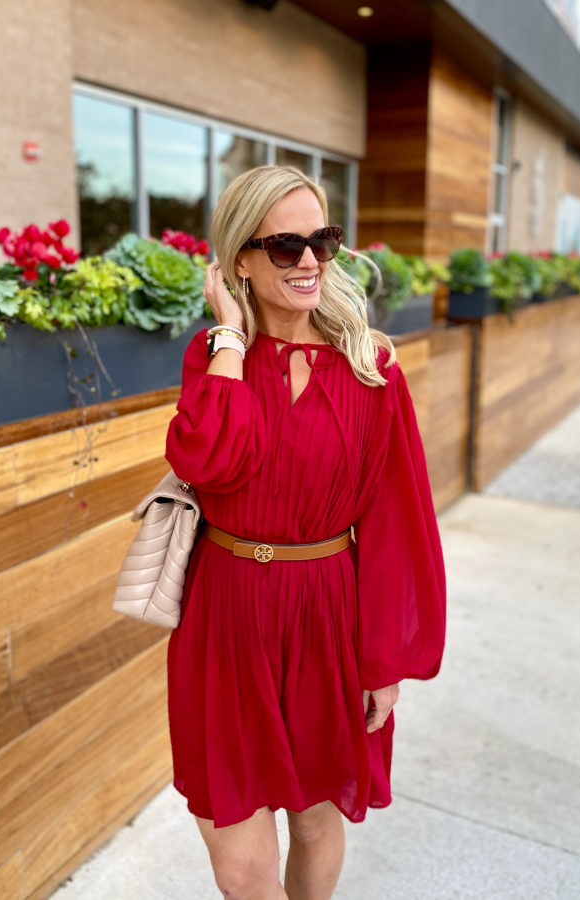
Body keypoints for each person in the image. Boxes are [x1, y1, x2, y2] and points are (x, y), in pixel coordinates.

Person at [164, 165, 446, 899]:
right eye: (286, 246)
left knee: (318, 817)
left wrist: (384, 660)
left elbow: (397, 523)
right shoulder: (215, 358)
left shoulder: (371, 367)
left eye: (323, 240)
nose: (312, 261)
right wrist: (228, 333)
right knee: (242, 865)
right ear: (241, 263)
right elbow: (209, 458)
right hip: (224, 619)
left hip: (326, 614)